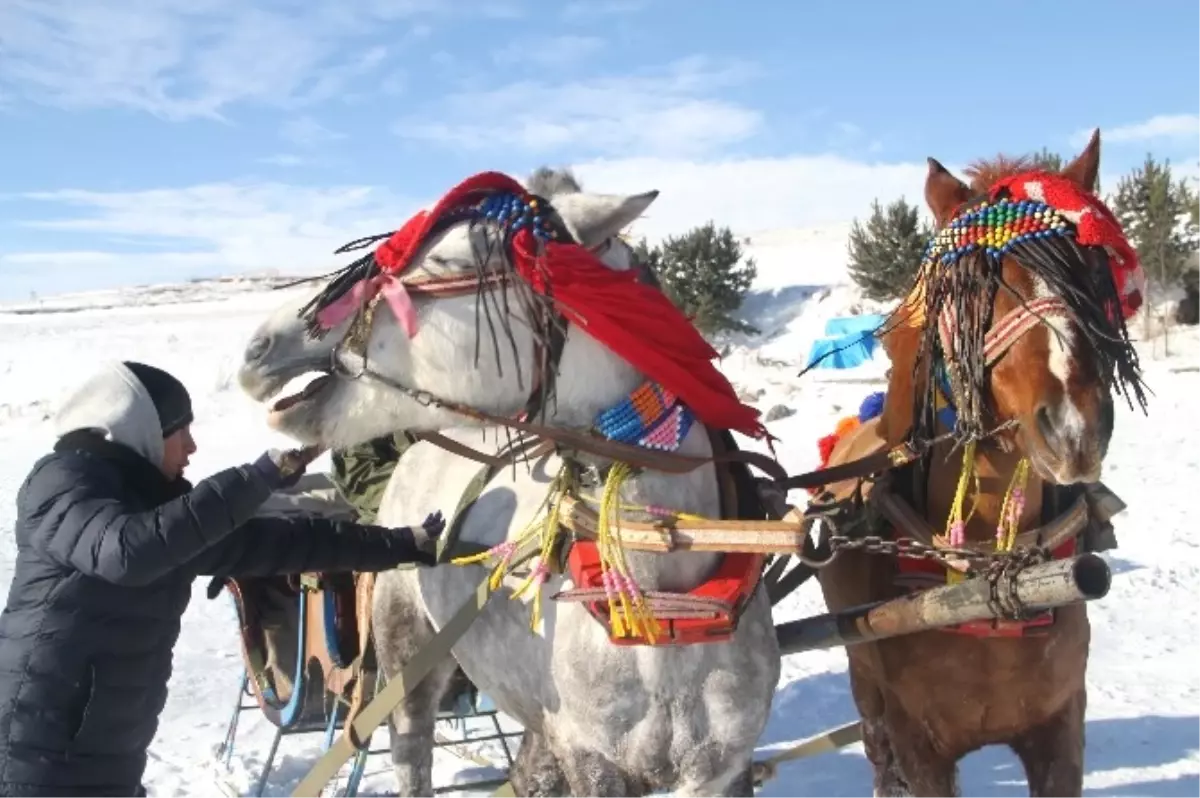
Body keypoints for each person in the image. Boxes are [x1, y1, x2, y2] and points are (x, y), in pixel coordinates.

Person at [0, 361, 446, 797]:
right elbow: (127, 553)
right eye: (181, 431)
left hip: (106, 755)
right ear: (139, 429)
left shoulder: (156, 509)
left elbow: (283, 544)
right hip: (33, 752)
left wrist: (402, 544)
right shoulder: (63, 481)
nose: (192, 447)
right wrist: (256, 480)